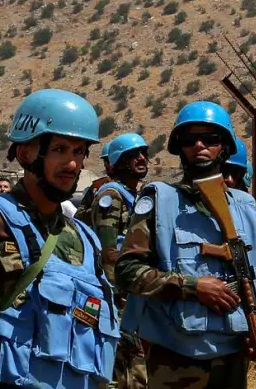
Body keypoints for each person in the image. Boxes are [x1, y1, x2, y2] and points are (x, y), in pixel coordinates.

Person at [0, 89, 119, 389]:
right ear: (25, 153)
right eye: (60, 149)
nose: (73, 164)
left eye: (79, 152)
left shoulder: (85, 239)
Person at [118, 102, 256, 389]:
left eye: (210, 139)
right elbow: (127, 271)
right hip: (176, 357)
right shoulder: (159, 200)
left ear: (224, 147)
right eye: (189, 140)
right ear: (179, 147)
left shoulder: (246, 207)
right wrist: (193, 287)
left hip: (234, 355)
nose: (199, 145)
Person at [76, 132, 150, 389]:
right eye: (133, 155)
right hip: (120, 292)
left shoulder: (133, 195)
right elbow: (109, 249)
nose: (141, 158)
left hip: (132, 289)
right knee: (125, 360)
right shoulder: (112, 195)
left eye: (143, 153)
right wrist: (118, 294)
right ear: (119, 161)